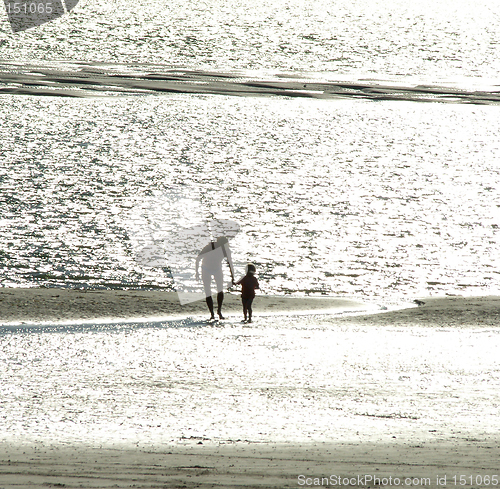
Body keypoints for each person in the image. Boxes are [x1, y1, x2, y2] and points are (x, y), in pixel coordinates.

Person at [195, 236, 235, 320]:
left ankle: (219, 311)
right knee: (208, 291)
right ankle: (212, 313)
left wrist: (232, 277)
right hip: (206, 269)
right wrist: (197, 272)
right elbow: (198, 258)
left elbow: (230, 263)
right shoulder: (210, 247)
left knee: (220, 290)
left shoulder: (226, 250)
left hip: (217, 269)